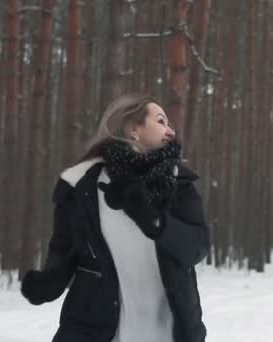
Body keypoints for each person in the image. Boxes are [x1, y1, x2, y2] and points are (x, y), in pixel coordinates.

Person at [21, 93, 209, 342]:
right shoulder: (81, 185)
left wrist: (154, 221)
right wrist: (51, 280)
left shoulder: (179, 183)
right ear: (134, 130)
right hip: (95, 330)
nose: (171, 131)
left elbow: (197, 247)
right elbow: (65, 248)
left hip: (169, 332)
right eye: (161, 121)